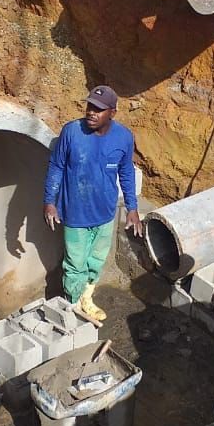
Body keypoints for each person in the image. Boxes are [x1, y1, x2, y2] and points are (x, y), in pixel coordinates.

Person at [43, 85, 143, 321]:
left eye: (98, 109)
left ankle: (86, 298)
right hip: (75, 214)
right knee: (75, 264)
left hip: (106, 213)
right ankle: (72, 305)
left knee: (96, 260)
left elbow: (126, 172)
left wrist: (132, 208)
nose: (91, 112)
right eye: (90, 106)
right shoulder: (72, 132)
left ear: (112, 112)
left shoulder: (124, 137)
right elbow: (56, 166)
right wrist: (50, 201)